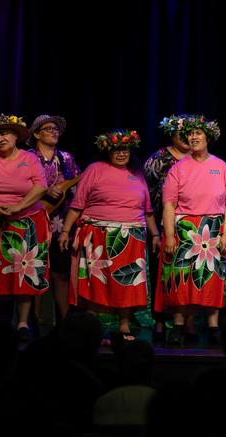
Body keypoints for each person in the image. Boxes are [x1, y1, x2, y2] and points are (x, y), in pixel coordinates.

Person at [59, 129, 160, 340]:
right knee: (98, 281)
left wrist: (156, 235)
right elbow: (77, 205)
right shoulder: (94, 169)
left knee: (127, 281)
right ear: (108, 151)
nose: (121, 154)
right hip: (99, 234)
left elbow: (148, 211)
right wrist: (66, 231)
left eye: (125, 150)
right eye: (116, 150)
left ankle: (124, 324)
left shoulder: (137, 173)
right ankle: (93, 326)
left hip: (131, 237)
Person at [155, 115, 226, 347]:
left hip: (212, 230)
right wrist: (169, 235)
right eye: (190, 134)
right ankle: (179, 326)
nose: (193, 137)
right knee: (181, 279)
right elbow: (169, 204)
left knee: (211, 279)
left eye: (198, 133)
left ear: (207, 137)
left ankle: (213, 328)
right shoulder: (178, 168)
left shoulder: (221, 167)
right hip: (184, 229)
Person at [0, 114, 49, 340]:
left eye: (4, 133)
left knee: (23, 273)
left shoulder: (29, 158)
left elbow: (40, 186)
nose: (0, 138)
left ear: (15, 136)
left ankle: (23, 324)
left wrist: (18, 206)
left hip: (24, 221)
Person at [27, 114, 82, 326]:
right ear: (37, 134)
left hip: (62, 222)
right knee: (35, 269)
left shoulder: (66, 158)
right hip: (34, 218)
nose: (54, 132)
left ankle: (66, 320)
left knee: (60, 271)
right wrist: (43, 191)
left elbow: (77, 187)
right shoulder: (28, 157)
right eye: (48, 128)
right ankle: (39, 321)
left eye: (56, 129)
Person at [143, 115, 192, 340]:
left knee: (189, 273)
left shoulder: (200, 158)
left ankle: (187, 321)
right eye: (181, 132)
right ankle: (160, 320)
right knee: (161, 272)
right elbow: (149, 197)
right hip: (164, 225)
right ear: (171, 134)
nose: (186, 137)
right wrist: (156, 230)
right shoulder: (159, 159)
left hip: (192, 225)